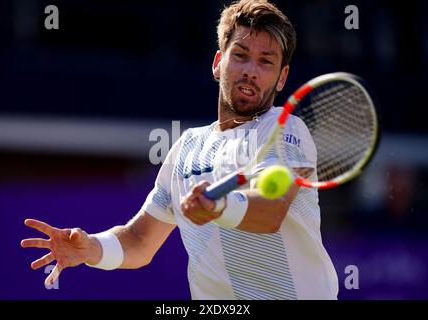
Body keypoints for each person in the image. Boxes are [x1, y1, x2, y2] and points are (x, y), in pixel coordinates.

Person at [21, 0, 338, 300]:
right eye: (240, 55)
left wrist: (220, 207)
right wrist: (92, 249)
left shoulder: (285, 129)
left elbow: (271, 210)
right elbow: (140, 241)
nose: (251, 70)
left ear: (282, 78)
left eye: (266, 62)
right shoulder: (186, 148)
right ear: (218, 63)